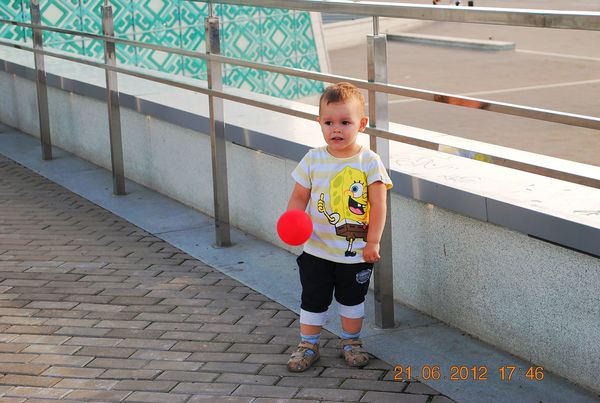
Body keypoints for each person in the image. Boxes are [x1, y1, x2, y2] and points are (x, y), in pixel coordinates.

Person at [285, 82, 393, 372]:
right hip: (317, 249)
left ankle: (351, 342)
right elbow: (299, 196)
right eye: (329, 122)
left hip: (355, 253)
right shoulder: (313, 158)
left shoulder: (369, 161)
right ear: (319, 122)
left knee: (352, 300)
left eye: (345, 122)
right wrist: (292, 222)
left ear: (362, 124)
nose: (336, 129)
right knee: (312, 298)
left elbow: (378, 204)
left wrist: (373, 241)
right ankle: (308, 345)